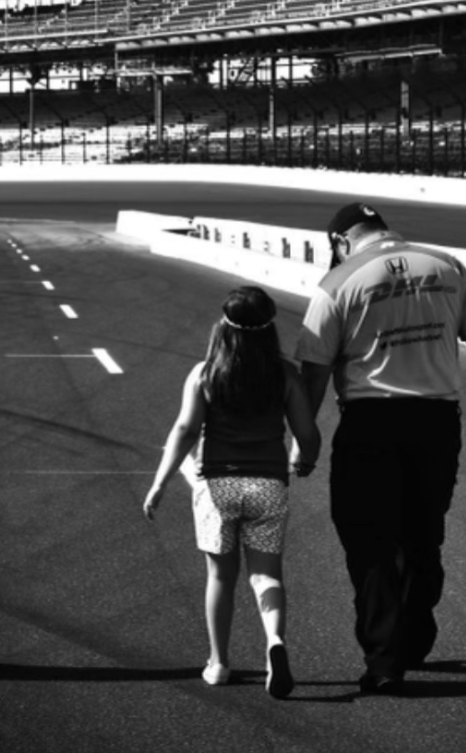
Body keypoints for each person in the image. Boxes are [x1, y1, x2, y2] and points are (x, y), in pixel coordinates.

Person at [295, 202, 466, 695]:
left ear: (341, 241)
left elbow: (313, 369)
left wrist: (303, 439)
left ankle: (386, 659)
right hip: (437, 421)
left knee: (369, 540)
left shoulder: (339, 281)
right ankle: (414, 635)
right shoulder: (447, 265)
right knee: (423, 532)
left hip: (370, 422)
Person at [143, 285, 320, 697]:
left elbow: (185, 430)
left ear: (225, 326)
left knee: (221, 576)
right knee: (266, 574)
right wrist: (304, 461)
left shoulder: (205, 372)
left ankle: (219, 662)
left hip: (217, 486)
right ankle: (274, 641)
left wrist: (160, 482)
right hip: (268, 485)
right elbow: (307, 433)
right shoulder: (285, 374)